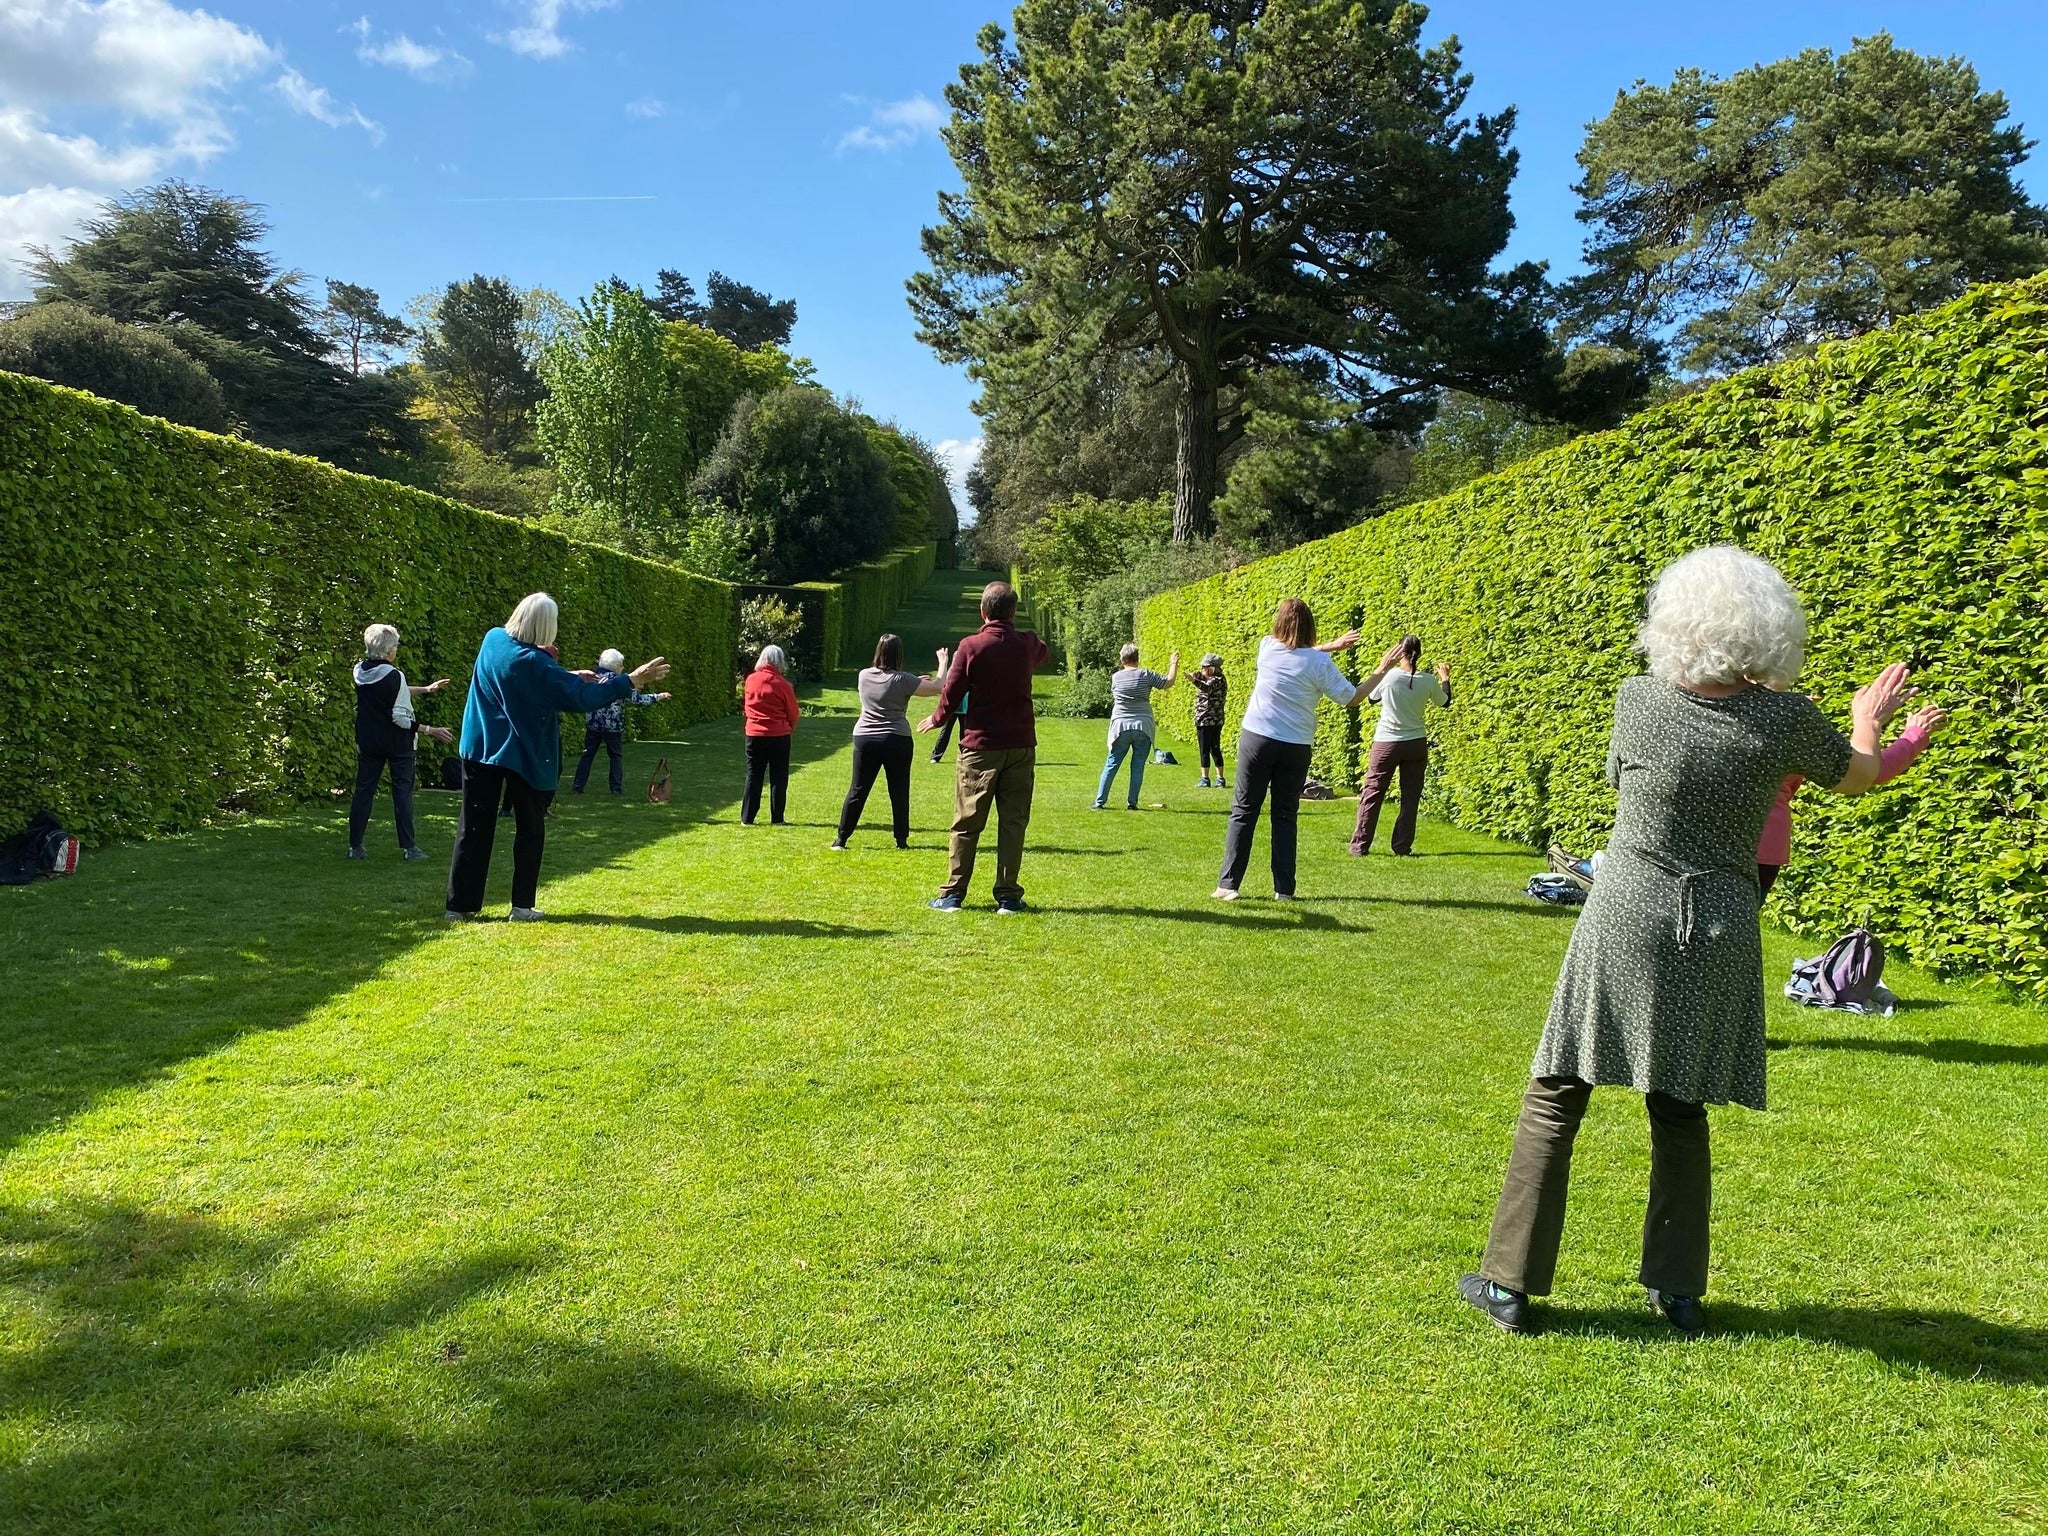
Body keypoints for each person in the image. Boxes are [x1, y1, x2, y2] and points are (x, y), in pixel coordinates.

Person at [1458, 546, 1915, 1338]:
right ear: (1769, 629)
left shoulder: (1638, 699)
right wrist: (1867, 718)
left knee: (1558, 1089)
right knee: (1679, 1106)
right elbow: (1860, 774)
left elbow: (1622, 780)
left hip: (1625, 914)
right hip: (1720, 923)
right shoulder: (1786, 719)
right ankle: (1678, 1294)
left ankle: (1508, 1285)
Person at [446, 593, 669, 922]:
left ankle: (458, 906)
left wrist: (567, 674)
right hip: (522, 752)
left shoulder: (493, 639)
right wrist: (632, 680)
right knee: (530, 829)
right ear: (546, 626)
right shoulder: (536, 664)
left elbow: (526, 675)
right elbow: (581, 698)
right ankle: (521, 906)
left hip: (480, 747)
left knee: (474, 828)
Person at [1214, 600, 1402, 901]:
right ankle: (1284, 890)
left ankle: (1228, 885)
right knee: (1285, 816)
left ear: (1279, 622)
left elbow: (1295, 652)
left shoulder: (1267, 647)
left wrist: (1329, 647)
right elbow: (1352, 698)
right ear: (1311, 626)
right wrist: (1381, 669)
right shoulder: (1318, 663)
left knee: (1244, 811)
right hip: (1295, 745)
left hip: (1257, 739)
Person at [918, 581, 1049, 914]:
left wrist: (937, 718)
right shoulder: (1026, 643)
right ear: (1013, 612)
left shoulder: (971, 646)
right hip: (1020, 743)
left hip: (980, 745)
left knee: (966, 822)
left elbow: (952, 690)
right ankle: (1008, 896)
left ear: (983, 611)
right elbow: (1043, 651)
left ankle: (953, 894)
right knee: (1013, 823)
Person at [1757, 705, 1945, 894]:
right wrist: (1914, 734)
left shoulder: (1764, 714)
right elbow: (1866, 773)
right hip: (1763, 848)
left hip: (1754, 844)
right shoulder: (1789, 719)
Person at [349, 624, 453, 861]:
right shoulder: (395, 675)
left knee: (363, 792)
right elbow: (400, 718)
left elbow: (397, 692)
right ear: (388, 651)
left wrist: (426, 689)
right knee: (402, 793)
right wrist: (430, 730)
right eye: (395, 646)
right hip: (398, 743)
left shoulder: (360, 671)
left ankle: (355, 847)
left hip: (368, 739)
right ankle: (410, 848)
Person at [835, 634, 948, 850]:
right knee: (899, 790)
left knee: (858, 789)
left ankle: (841, 839)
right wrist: (942, 662)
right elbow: (938, 686)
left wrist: (912, 681)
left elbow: (885, 687)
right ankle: (901, 840)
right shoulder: (903, 680)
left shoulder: (864, 675)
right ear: (899, 655)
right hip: (896, 739)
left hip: (865, 738)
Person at [1350, 634, 1452, 857]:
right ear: (1419, 653)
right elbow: (1445, 702)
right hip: (1415, 743)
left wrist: (1382, 668)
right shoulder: (1428, 680)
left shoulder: (1389, 676)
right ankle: (1402, 846)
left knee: (1372, 792)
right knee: (1410, 796)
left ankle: (1360, 846)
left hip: (1386, 742)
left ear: (1399, 653)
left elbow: (1371, 698)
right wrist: (1445, 679)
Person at [570, 648, 671, 795]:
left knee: (587, 755)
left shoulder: (590, 677)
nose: (623, 668)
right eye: (622, 665)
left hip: (593, 724)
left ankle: (578, 787)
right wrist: (658, 697)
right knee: (615, 757)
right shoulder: (620, 682)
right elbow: (637, 699)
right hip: (613, 726)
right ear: (616, 665)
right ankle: (615, 788)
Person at [1094, 644, 1179, 810]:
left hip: (1120, 726)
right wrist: (1173, 663)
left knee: (1111, 764)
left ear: (1122, 659)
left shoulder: (1116, 677)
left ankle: (1099, 802)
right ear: (1137, 658)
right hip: (1143, 726)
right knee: (1138, 767)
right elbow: (1168, 682)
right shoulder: (1146, 674)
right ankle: (1132, 803)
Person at [742, 644, 800, 826]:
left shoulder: (751, 680)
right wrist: (789, 727)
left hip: (754, 733)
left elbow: (747, 705)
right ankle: (777, 818)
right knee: (779, 777)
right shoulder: (783, 685)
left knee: (753, 775)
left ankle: (747, 817)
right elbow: (793, 712)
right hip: (778, 735)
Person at [1191, 654, 1229, 788]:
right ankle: (1220, 779)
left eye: (1204, 668)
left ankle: (1205, 778)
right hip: (1216, 720)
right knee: (1215, 748)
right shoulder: (1220, 679)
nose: (1202, 670)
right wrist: (1199, 677)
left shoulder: (1216, 680)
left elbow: (1207, 687)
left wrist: (1193, 680)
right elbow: (1207, 683)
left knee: (1205, 749)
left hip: (1205, 719)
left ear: (1212, 668)